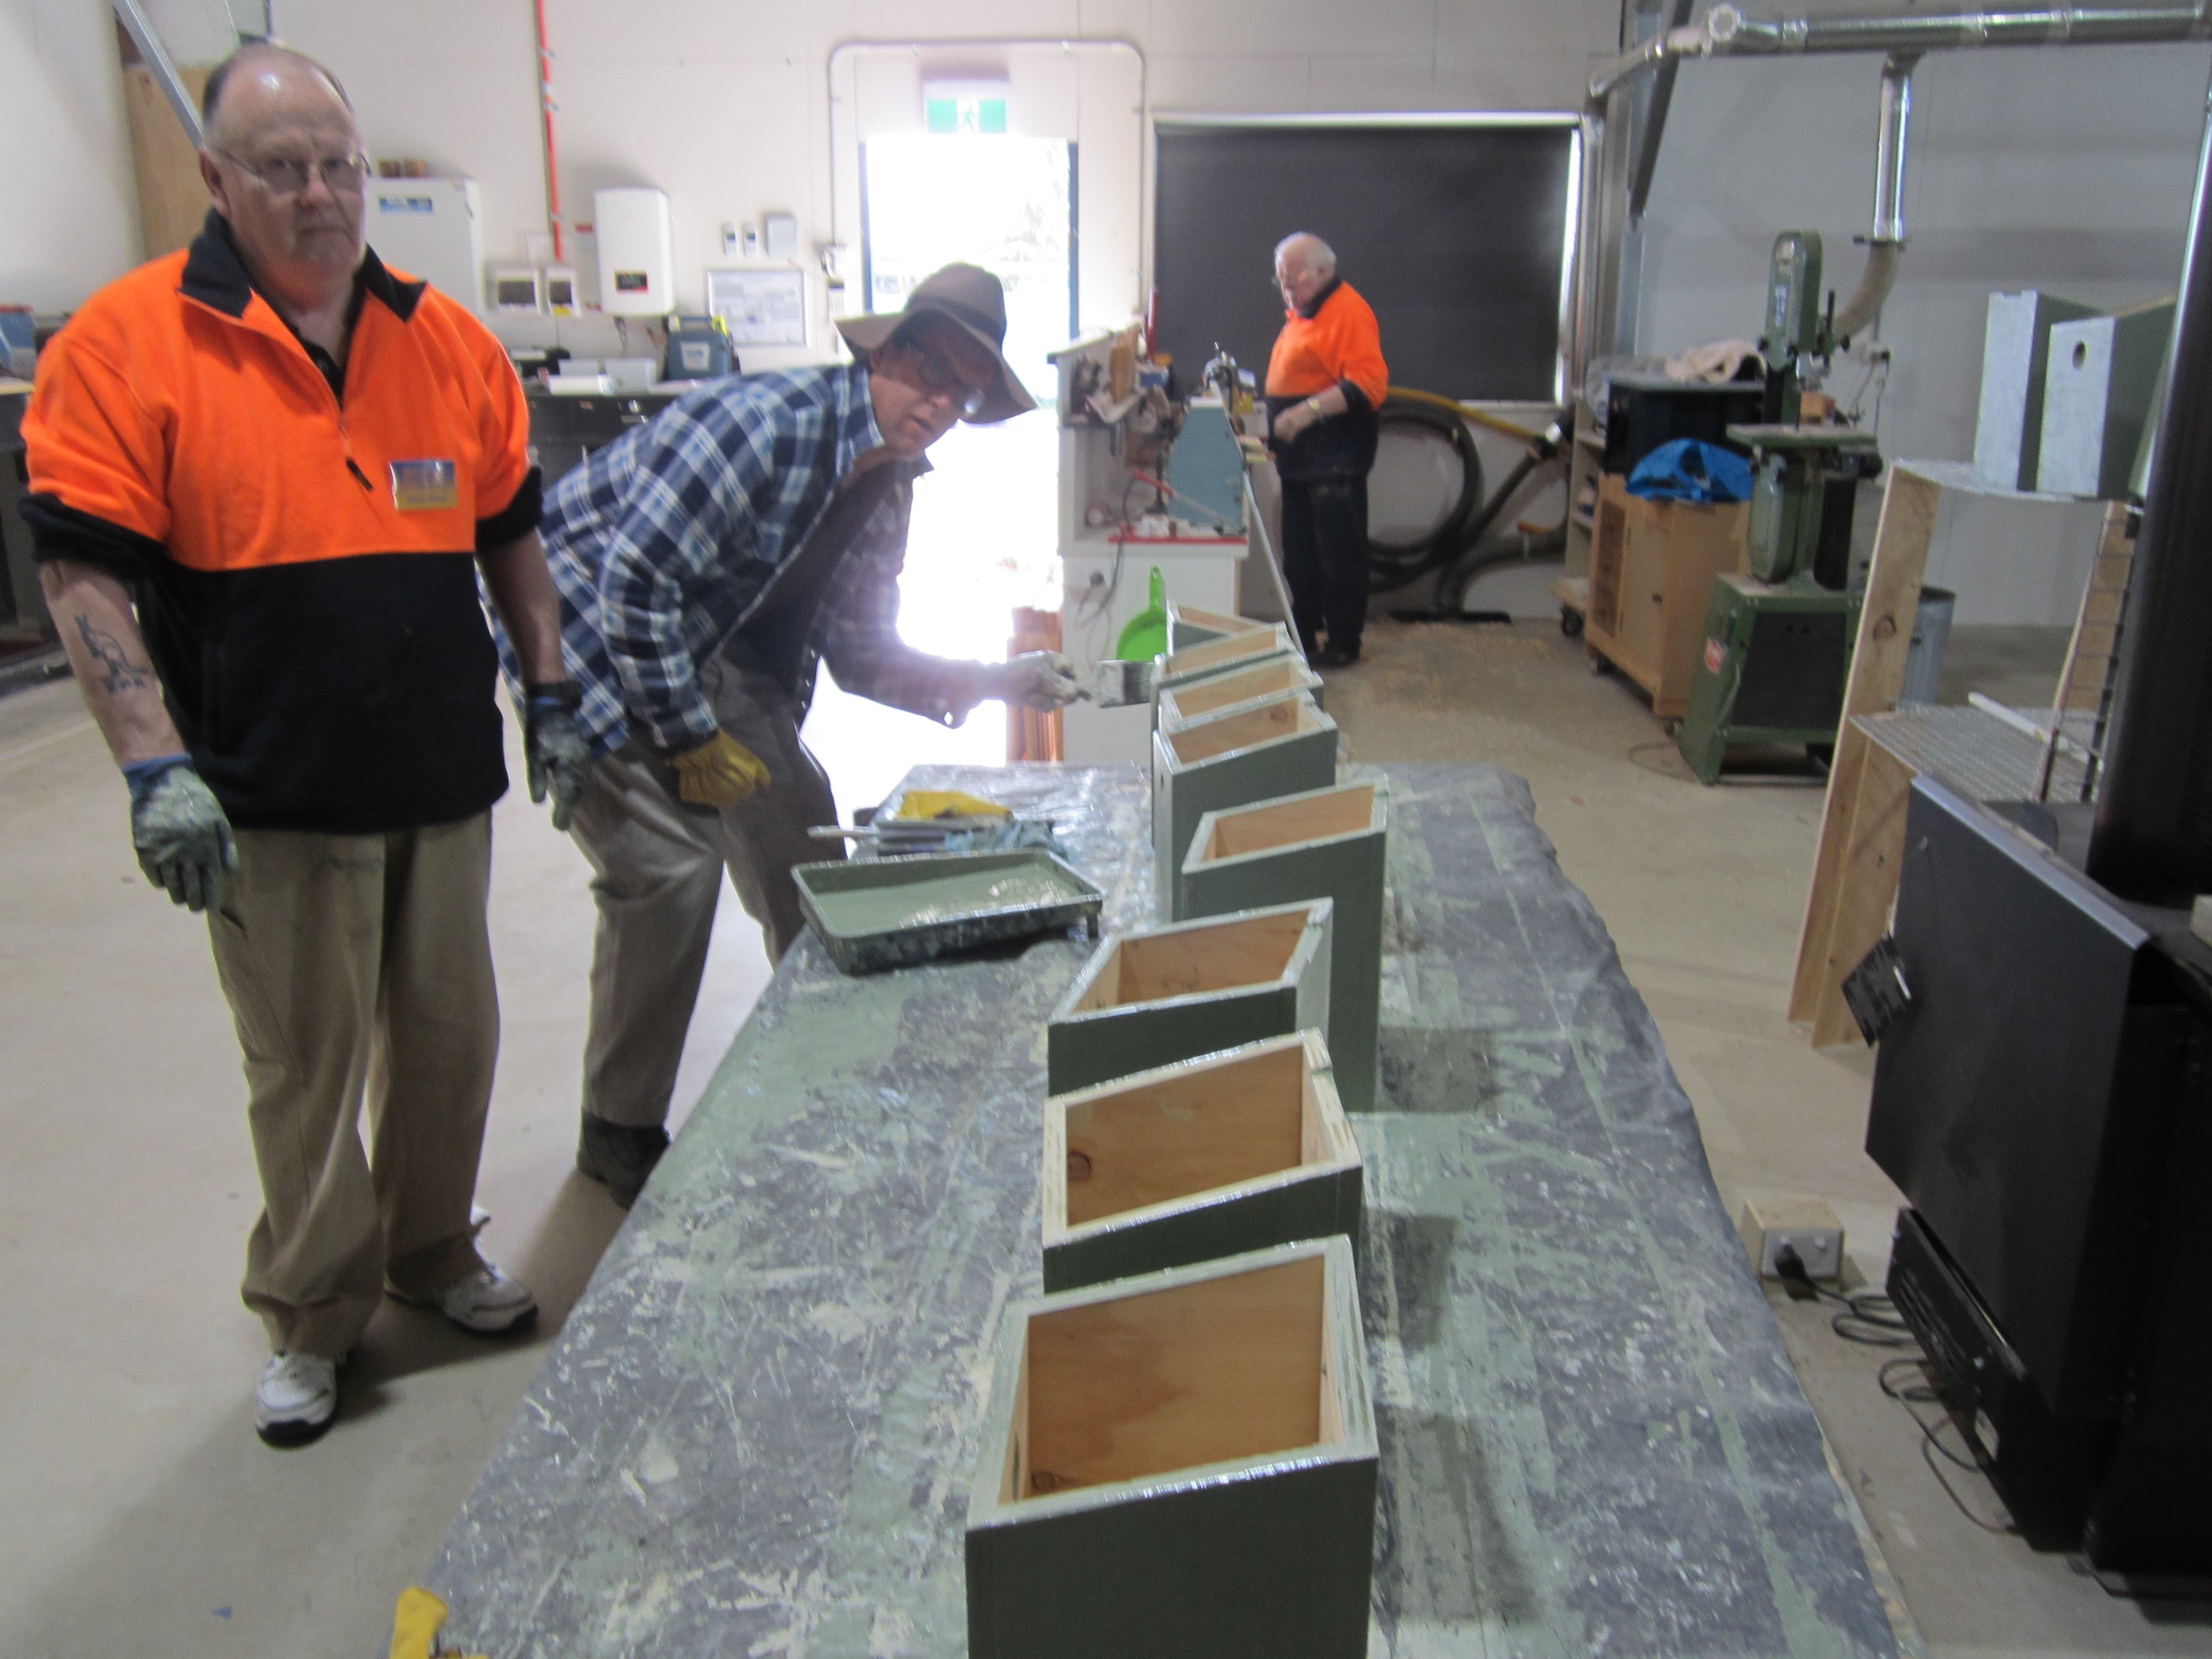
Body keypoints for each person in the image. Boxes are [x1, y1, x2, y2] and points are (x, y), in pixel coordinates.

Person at [23, 45, 585, 1448]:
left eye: (341, 164)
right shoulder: (132, 342)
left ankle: (432, 1254)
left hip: (442, 773)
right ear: (216, 180)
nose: (321, 193)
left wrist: (553, 687)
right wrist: (153, 765)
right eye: (282, 167)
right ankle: (315, 1312)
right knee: (308, 1066)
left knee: (451, 1043)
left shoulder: (440, 338)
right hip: (269, 790)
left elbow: (513, 535)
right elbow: (83, 575)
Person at [503, 263, 1082, 1208]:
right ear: (886, 352)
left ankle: (830, 1063)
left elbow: (859, 650)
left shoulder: (890, 484)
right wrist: (689, 737)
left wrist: (988, 680)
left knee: (809, 856)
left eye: (965, 391)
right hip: (585, 638)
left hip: (724, 654)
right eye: (931, 371)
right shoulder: (763, 425)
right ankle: (617, 1129)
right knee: (669, 870)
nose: (941, 402)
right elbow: (634, 589)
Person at [1264, 232, 1389, 667]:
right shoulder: (1305, 312)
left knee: (1338, 556)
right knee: (1301, 557)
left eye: (1293, 279)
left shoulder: (1347, 312)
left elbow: (1369, 385)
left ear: (1321, 272)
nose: (1286, 289)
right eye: (1279, 280)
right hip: (1303, 463)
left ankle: (1342, 643)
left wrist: (1305, 413)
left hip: (1334, 459)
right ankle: (1307, 635)